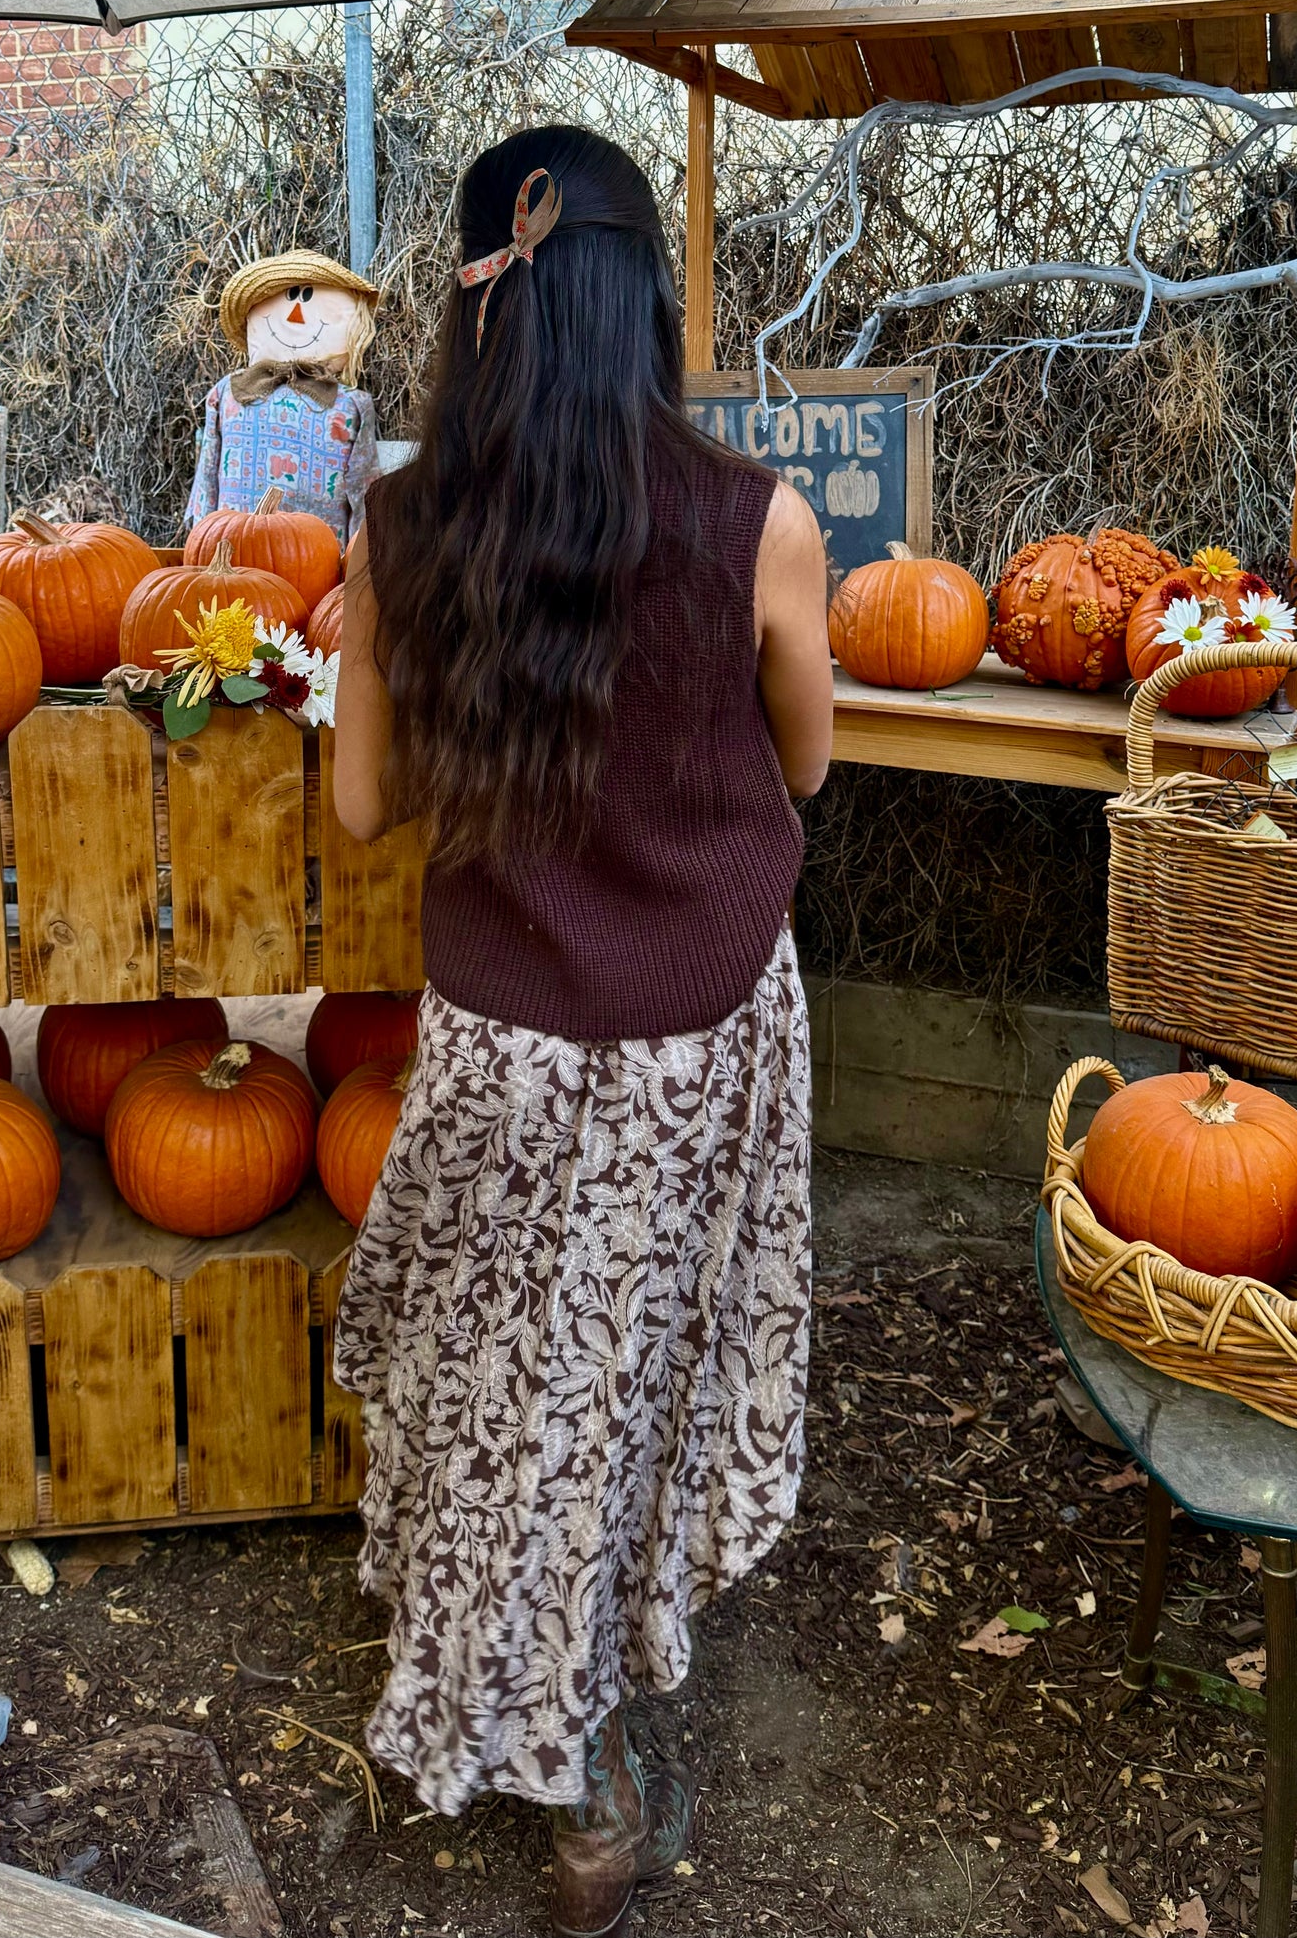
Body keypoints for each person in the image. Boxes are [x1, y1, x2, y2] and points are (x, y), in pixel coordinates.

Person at [331, 124, 834, 1938]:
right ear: (648, 305)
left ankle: (488, 1668)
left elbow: (367, 808)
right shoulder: (757, 520)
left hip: (500, 1036)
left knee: (507, 1383)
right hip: (696, 1042)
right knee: (627, 1398)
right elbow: (809, 761)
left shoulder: (403, 526)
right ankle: (593, 1779)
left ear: (483, 312)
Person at [184, 249, 381, 545]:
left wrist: (357, 559)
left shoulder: (351, 405)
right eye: (288, 297)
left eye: (308, 298)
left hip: (315, 559)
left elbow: (364, 491)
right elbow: (207, 476)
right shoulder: (228, 392)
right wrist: (199, 538)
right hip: (230, 553)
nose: (296, 313)